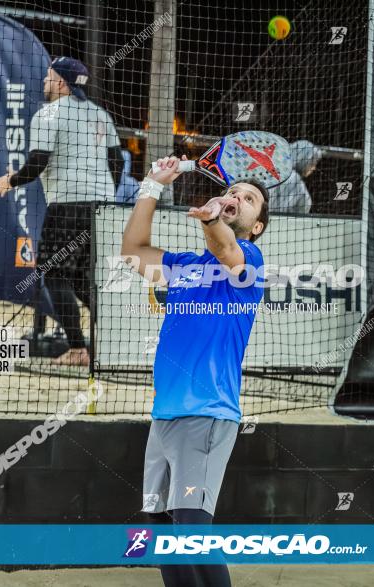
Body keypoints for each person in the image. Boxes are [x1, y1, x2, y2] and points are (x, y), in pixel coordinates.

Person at [121, 155, 268, 587]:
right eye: (235, 192)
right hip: (164, 415)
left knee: (191, 527)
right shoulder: (186, 265)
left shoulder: (251, 261)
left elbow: (226, 249)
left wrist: (210, 220)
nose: (239, 198)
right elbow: (132, 252)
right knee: (159, 525)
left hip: (207, 414)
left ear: (256, 225)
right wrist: (152, 184)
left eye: (250, 199)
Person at [0, 57, 123, 367]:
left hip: (67, 206)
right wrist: (103, 195)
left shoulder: (49, 114)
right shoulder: (99, 114)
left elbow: (38, 162)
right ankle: (119, 340)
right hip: (102, 209)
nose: (44, 82)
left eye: (49, 77)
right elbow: (117, 163)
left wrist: (11, 180)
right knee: (81, 279)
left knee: (53, 272)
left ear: (62, 83)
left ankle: (78, 349)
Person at [267, 139, 323, 213]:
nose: (314, 167)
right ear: (304, 158)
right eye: (312, 162)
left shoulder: (274, 169)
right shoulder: (293, 178)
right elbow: (304, 206)